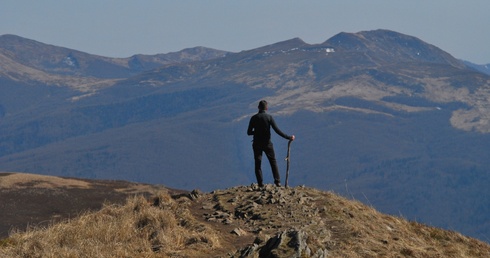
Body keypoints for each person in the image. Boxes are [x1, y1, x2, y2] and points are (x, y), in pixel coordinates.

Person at [247, 100, 295, 187]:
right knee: (273, 162)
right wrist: (288, 137)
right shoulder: (269, 117)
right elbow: (277, 130)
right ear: (266, 108)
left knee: (258, 163)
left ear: (258, 107)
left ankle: (260, 184)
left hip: (257, 144)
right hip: (267, 144)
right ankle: (277, 182)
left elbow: (249, 132)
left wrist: (257, 132)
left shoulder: (254, 118)